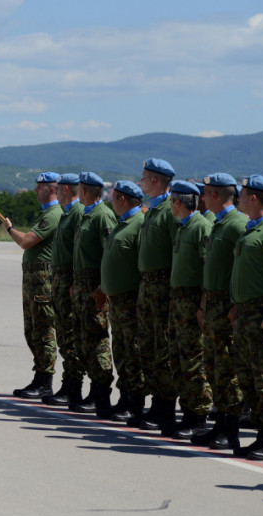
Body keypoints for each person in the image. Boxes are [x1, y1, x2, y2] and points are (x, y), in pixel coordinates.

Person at [192, 173, 246, 449]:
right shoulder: (219, 224)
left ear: (214, 195)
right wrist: (203, 304)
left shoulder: (238, 224)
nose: (201, 198)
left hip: (226, 305)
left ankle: (231, 429)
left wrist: (237, 305)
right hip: (212, 304)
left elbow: (245, 269)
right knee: (214, 367)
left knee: (228, 370)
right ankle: (220, 424)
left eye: (205, 193)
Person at [230, 175, 263, 461]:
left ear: (255, 198)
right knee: (248, 377)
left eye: (243, 193)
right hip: (246, 313)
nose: (238, 197)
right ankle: (262, 435)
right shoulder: (251, 230)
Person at [3, 172, 62, 399]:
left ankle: (45, 382)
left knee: (44, 331)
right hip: (33, 282)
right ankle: (39, 378)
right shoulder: (46, 213)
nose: (36, 191)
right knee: (32, 331)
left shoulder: (54, 214)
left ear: (53, 190)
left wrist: (10, 229)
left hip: (42, 283)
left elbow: (27, 242)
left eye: (41, 187)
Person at [131, 158, 180, 430]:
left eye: (144, 177)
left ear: (154, 180)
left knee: (163, 349)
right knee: (148, 348)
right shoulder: (152, 210)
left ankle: (166, 408)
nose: (141, 181)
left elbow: (177, 253)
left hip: (163, 287)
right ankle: (156, 404)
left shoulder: (170, 211)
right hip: (148, 287)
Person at [166, 180, 213, 439]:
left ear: (178, 202)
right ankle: (187, 412)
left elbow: (207, 269)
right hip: (178, 301)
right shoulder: (183, 227)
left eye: (172, 200)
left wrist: (203, 306)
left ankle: (198, 416)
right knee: (179, 359)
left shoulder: (201, 227)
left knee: (195, 360)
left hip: (192, 301)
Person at [70, 172, 116, 416]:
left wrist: (103, 287)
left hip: (95, 286)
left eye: (79, 189)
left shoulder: (103, 216)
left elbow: (110, 255)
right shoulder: (86, 215)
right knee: (83, 340)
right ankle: (94, 388)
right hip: (81, 285)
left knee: (97, 340)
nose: (77, 192)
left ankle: (101, 392)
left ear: (86, 191)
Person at [101, 181, 146, 422]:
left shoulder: (138, 224)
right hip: (117, 301)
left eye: (113, 196)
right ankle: (124, 398)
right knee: (120, 350)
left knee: (133, 352)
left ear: (122, 199)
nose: (110, 199)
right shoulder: (122, 224)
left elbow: (142, 268)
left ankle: (135, 402)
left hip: (130, 301)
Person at [43, 173, 85, 406]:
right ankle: (69, 385)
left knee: (70, 336)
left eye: (58, 188)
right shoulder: (68, 213)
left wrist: (73, 283)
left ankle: (73, 386)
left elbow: (79, 251)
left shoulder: (77, 212)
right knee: (64, 335)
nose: (55, 191)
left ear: (66, 189)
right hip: (60, 282)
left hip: (69, 283)